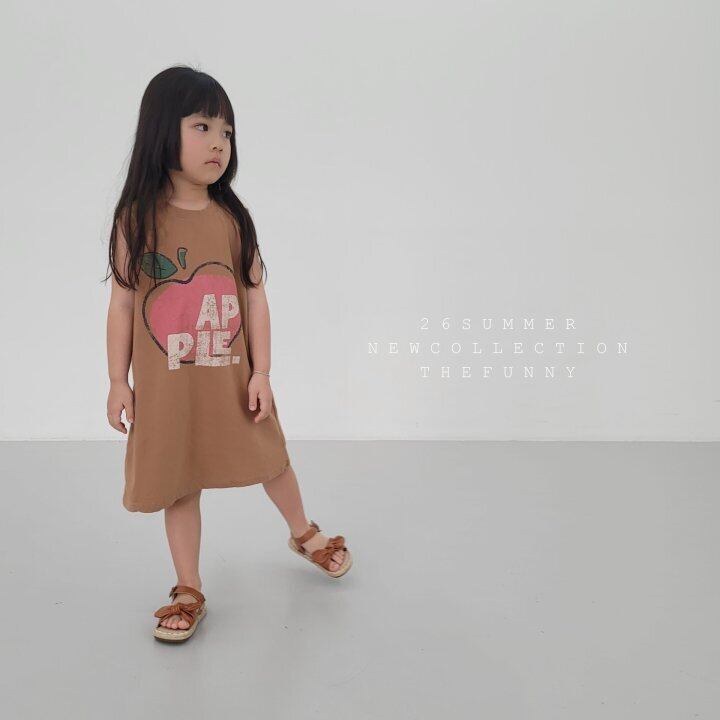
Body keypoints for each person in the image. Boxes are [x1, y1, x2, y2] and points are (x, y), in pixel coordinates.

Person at [104, 65, 352, 643]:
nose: (218, 142)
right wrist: (118, 381)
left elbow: (255, 297)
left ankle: (303, 532)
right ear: (162, 130)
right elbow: (121, 304)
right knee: (180, 482)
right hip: (169, 390)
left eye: (227, 132)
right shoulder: (135, 221)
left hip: (232, 381)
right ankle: (188, 586)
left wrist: (262, 371)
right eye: (202, 127)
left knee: (271, 458)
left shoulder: (232, 219)